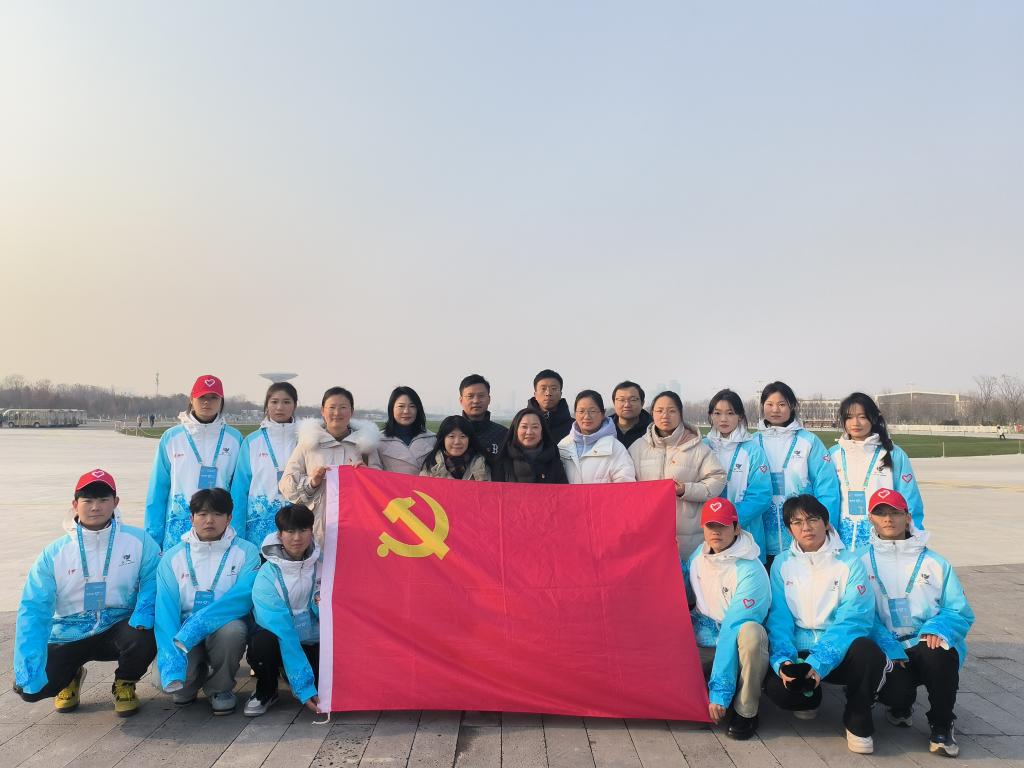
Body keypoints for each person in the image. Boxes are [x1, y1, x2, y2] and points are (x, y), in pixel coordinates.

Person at [14, 470, 159, 717]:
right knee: (32, 689)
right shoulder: (54, 553)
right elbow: (34, 608)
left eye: (103, 500)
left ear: (116, 502)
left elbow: (153, 581)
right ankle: (70, 677)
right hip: (68, 631)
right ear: (74, 504)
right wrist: (26, 664)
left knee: (145, 633)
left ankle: (125, 683)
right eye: (88, 500)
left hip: (118, 626)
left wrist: (143, 616)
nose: (95, 507)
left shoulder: (138, 541)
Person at [764, 495, 886, 755]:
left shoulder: (849, 563)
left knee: (868, 652)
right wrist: (783, 661)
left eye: (812, 519)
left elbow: (853, 619)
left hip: (837, 650)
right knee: (780, 691)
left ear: (827, 523)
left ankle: (858, 717)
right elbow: (779, 618)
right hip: (799, 650)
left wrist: (819, 662)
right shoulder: (782, 564)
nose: (806, 527)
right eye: (797, 522)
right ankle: (809, 699)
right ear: (789, 530)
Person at [865, 489, 974, 758]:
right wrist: (888, 645)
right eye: (880, 513)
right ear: (871, 519)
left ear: (907, 517)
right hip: (887, 646)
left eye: (895, 512)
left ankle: (942, 724)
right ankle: (900, 705)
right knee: (896, 693)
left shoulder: (936, 563)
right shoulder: (860, 561)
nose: (888, 519)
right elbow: (859, 614)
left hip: (923, 641)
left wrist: (937, 629)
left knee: (938, 652)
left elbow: (958, 609)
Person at [155, 488, 260, 715]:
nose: (209, 520)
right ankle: (194, 676)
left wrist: (199, 624)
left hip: (224, 625)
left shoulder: (247, 551)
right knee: (174, 686)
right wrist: (171, 660)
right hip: (184, 629)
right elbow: (165, 611)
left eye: (217, 514)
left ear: (229, 518)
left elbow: (242, 598)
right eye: (202, 514)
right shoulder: (172, 557)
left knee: (233, 631)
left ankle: (220, 688)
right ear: (191, 518)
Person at [683, 498, 770, 740]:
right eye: (711, 526)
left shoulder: (750, 570)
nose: (716, 532)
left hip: (736, 642)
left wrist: (720, 692)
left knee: (752, 634)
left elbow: (733, 627)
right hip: (704, 638)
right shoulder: (699, 556)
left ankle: (746, 710)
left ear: (736, 528)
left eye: (722, 526)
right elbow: (681, 591)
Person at [145, 375, 243, 550]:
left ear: (221, 401)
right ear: (191, 399)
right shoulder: (172, 437)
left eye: (213, 397)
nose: (207, 402)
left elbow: (239, 490)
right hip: (178, 530)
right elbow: (158, 489)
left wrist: (237, 531)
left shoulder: (234, 439)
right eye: (202, 397)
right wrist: (153, 537)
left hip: (219, 529)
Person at [245, 504, 322, 717]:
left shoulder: (323, 565)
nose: (297, 538)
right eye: (290, 531)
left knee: (326, 689)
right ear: (280, 535)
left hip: (313, 641)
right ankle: (267, 689)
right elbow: (282, 631)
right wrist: (303, 686)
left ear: (312, 531)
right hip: (279, 642)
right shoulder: (267, 575)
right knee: (262, 642)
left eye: (303, 530)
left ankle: (291, 674)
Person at [280, 387, 381, 544]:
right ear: (322, 411)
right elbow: (286, 486)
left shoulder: (366, 446)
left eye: (343, 407)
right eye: (332, 407)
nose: (337, 413)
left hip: (358, 530)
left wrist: (367, 475)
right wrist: (312, 482)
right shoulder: (308, 443)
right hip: (316, 532)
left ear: (352, 411)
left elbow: (380, 489)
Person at [629, 391, 726, 556]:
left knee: (686, 571)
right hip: (648, 532)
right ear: (652, 413)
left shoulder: (698, 448)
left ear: (680, 414)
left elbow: (717, 479)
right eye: (659, 410)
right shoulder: (637, 448)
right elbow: (626, 486)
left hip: (688, 536)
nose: (665, 415)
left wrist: (686, 490)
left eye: (671, 411)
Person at [757, 381, 840, 565]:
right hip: (761, 540)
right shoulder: (753, 443)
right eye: (769, 404)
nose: (775, 410)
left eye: (782, 404)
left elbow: (826, 488)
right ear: (762, 406)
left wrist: (824, 527)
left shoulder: (809, 441)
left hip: (804, 539)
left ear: (792, 406)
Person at [829, 392, 925, 552]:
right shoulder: (833, 454)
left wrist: (914, 538)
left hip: (884, 541)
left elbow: (909, 500)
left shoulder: (893, 454)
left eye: (862, 417)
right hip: (841, 543)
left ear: (873, 418)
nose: (855, 423)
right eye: (849, 417)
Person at [703, 389, 772, 563]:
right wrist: (713, 521)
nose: (723, 419)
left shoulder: (753, 450)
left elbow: (761, 495)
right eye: (717, 413)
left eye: (730, 413)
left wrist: (729, 521)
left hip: (745, 531)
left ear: (740, 416)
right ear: (710, 416)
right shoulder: (703, 447)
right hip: (710, 532)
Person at [231, 382, 299, 548]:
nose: (280, 407)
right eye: (274, 402)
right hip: (258, 534)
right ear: (267, 405)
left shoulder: (304, 440)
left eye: (286, 402)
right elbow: (240, 490)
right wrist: (237, 534)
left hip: (297, 532)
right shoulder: (252, 442)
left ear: (295, 405)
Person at [558, 390, 636, 484]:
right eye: (581, 411)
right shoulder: (563, 445)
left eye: (592, 411)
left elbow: (625, 485)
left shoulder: (615, 448)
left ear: (603, 413)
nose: (586, 416)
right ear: (575, 413)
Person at [492, 408, 569, 483]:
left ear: (542, 432)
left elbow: (563, 490)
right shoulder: (503, 461)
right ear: (516, 430)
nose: (529, 432)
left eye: (535, 427)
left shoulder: (554, 463)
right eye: (524, 427)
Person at [375, 386, 435, 474]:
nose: (406, 411)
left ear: (418, 409)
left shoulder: (432, 439)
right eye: (401, 406)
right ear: (391, 409)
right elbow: (374, 474)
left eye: (412, 406)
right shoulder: (377, 440)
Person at [420, 415, 491, 480]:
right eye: (451, 436)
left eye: (462, 436)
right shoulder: (431, 466)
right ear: (443, 439)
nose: (457, 442)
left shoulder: (481, 465)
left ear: (469, 439)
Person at [458, 374, 508, 455]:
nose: (476, 401)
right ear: (461, 400)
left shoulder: (503, 434)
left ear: (489, 399)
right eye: (470, 396)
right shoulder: (450, 433)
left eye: (481, 396)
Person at [528, 369, 573, 443]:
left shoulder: (574, 427)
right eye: (543, 388)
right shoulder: (521, 424)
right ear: (535, 394)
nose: (548, 393)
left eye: (554, 389)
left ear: (560, 394)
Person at [610, 380, 652, 448]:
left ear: (642, 403)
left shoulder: (653, 429)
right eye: (621, 400)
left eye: (633, 400)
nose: (627, 405)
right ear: (614, 403)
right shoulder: (604, 428)